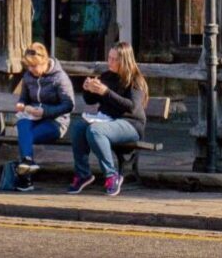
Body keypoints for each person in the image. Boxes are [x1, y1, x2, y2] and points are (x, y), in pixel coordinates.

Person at [68, 42, 147, 196]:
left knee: (95, 130)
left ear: (124, 61)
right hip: (106, 119)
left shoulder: (135, 80)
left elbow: (131, 106)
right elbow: (90, 101)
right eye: (109, 58)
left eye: (114, 59)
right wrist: (88, 89)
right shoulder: (106, 76)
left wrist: (106, 92)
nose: (109, 62)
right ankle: (83, 174)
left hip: (130, 124)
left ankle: (111, 175)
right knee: (78, 127)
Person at [10, 42, 75, 185]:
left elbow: (68, 105)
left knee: (26, 135)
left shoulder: (59, 78)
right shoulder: (28, 76)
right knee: (22, 123)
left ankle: (25, 175)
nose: (31, 70)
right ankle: (28, 163)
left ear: (44, 61)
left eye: (34, 66)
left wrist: (45, 112)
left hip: (55, 122)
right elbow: (24, 98)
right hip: (33, 118)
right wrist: (22, 105)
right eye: (29, 66)